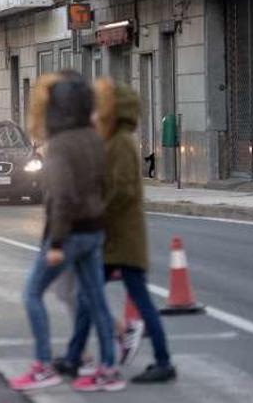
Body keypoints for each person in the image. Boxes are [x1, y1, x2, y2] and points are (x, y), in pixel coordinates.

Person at [56, 79, 177, 384]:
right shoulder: (110, 140)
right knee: (87, 295)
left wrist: (96, 213)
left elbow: (121, 190)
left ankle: (163, 361)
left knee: (133, 298)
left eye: (101, 105)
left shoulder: (121, 141)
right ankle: (73, 357)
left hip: (122, 239)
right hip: (113, 239)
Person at [10, 71, 124, 393]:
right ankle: (108, 369)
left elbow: (61, 197)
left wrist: (56, 242)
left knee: (33, 294)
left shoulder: (58, 146)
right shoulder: (94, 138)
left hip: (69, 233)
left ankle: (42, 366)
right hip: (94, 231)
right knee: (96, 301)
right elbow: (105, 187)